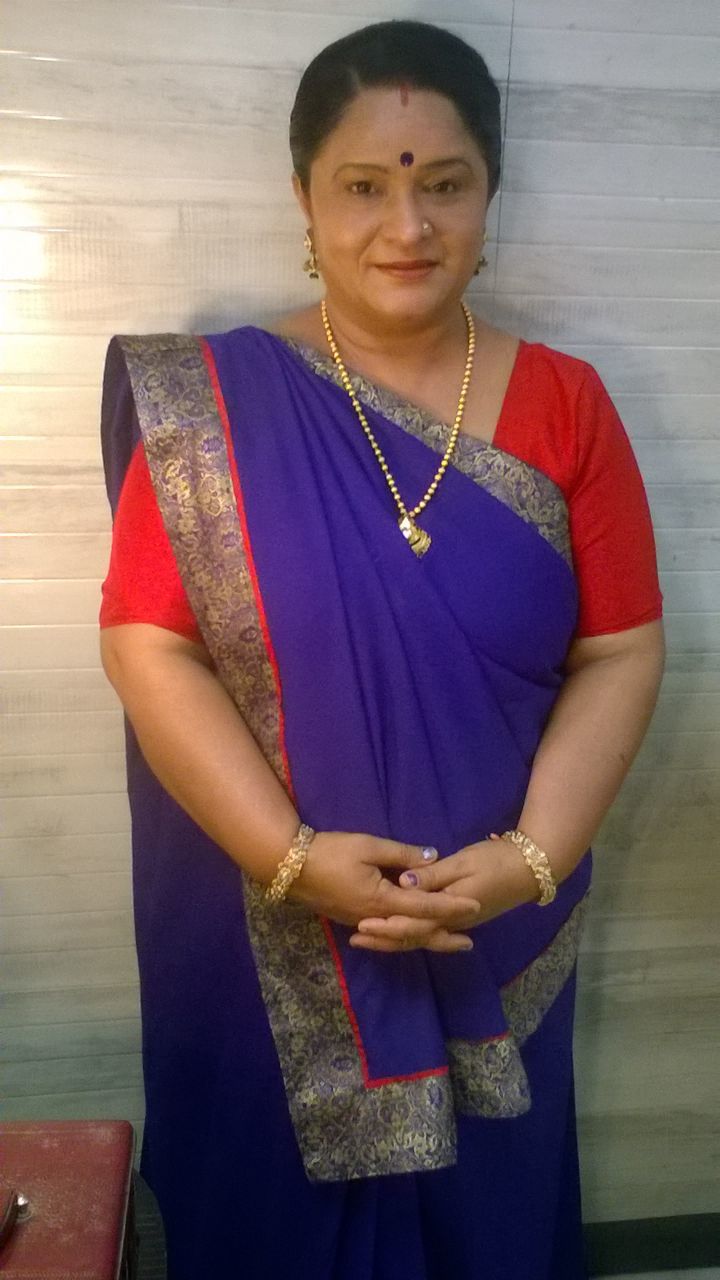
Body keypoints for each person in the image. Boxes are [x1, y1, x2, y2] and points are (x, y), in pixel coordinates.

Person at [99, 19, 665, 1280]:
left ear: (488, 193)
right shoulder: (213, 405)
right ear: (305, 196)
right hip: (270, 940)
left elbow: (621, 649)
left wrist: (530, 859)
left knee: (487, 1225)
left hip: (496, 932)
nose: (407, 225)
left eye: (444, 183)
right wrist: (293, 858)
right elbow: (147, 643)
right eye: (364, 186)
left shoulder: (567, 404)